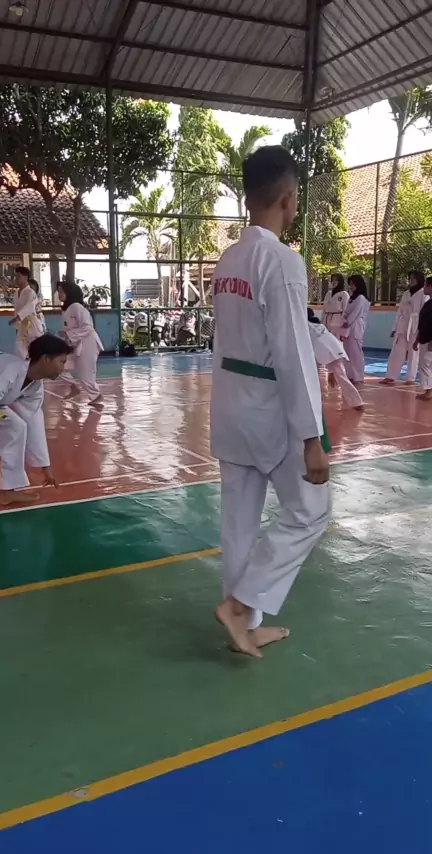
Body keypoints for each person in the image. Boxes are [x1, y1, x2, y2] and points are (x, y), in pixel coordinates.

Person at [210, 145, 331, 659]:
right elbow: (292, 351)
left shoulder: (228, 260)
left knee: (239, 520)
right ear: (288, 198)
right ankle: (242, 605)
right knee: (311, 510)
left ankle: (244, 623)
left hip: (229, 403)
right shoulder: (280, 260)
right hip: (267, 410)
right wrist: (312, 437)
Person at [0, 334, 73, 506]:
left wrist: (45, 466)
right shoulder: (7, 370)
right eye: (61, 361)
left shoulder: (34, 387)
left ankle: (8, 490)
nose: (63, 368)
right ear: (46, 359)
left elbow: (34, 422)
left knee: (16, 427)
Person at [57, 281, 104, 406]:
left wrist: (68, 334)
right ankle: (73, 387)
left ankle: (96, 395)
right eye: (59, 291)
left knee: (86, 375)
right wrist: (67, 336)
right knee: (59, 366)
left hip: (88, 343)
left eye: (61, 291)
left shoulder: (77, 307)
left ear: (69, 293)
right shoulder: (68, 309)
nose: (59, 294)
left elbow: (87, 327)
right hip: (76, 343)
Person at [308, 308, 364, 410]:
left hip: (321, 349)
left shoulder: (306, 326)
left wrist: (330, 372)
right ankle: (357, 403)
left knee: (312, 376)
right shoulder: (318, 325)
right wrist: (330, 372)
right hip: (333, 347)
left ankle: (312, 402)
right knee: (341, 375)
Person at [380, 270, 427, 385]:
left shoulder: (423, 293)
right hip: (403, 324)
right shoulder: (406, 293)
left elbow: (424, 312)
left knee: (413, 353)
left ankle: (410, 378)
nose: (411, 281)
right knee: (396, 351)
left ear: (419, 279)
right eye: (409, 278)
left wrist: (422, 329)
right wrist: (394, 327)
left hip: (416, 325)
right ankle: (391, 376)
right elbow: (400, 311)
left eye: (413, 278)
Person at [9, 266, 44, 359]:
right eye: (15, 276)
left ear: (25, 277)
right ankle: (26, 366)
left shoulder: (30, 292)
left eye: (18, 276)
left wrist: (18, 317)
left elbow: (30, 307)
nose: (16, 278)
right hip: (22, 325)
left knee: (35, 349)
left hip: (32, 324)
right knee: (20, 349)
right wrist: (17, 324)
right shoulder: (17, 292)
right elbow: (16, 309)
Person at [341, 274, 370, 384]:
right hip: (348, 326)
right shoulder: (352, 298)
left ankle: (358, 376)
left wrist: (348, 322)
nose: (351, 287)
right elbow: (346, 311)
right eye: (350, 284)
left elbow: (356, 312)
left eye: (353, 284)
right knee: (347, 351)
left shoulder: (361, 298)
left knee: (355, 352)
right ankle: (350, 375)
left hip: (356, 326)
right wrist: (344, 319)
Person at [413, 275, 432, 401]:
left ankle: (429, 391)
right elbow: (422, 323)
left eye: (425, 285)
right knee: (426, 364)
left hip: (429, 340)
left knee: (425, 365)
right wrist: (417, 339)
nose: (424, 288)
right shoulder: (428, 304)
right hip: (424, 338)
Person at [323, 273, 349, 337]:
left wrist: (343, 322)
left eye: (336, 280)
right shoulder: (328, 294)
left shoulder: (344, 294)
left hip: (337, 320)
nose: (333, 282)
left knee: (336, 339)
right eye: (332, 280)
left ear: (340, 281)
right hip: (327, 319)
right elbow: (324, 308)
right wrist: (323, 320)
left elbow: (345, 310)